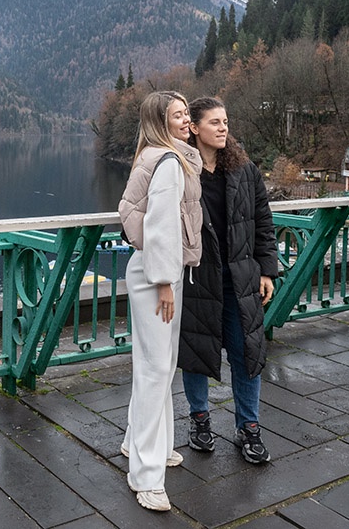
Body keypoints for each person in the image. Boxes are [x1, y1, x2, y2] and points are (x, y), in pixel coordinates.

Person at [177, 96, 279, 465]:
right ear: (194, 128)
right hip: (197, 277)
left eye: (225, 121)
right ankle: (199, 420)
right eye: (215, 122)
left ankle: (248, 427)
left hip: (240, 278)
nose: (223, 128)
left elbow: (263, 222)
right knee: (196, 353)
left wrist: (267, 270)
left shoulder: (244, 170)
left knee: (247, 354)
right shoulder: (180, 171)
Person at [117, 90, 203, 512]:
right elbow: (161, 225)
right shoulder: (168, 162)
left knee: (157, 365)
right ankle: (147, 477)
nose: (187, 120)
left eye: (187, 113)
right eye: (178, 115)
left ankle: (141, 441)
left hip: (153, 270)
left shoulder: (157, 155)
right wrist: (166, 281)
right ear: (160, 122)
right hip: (159, 274)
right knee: (156, 369)